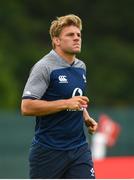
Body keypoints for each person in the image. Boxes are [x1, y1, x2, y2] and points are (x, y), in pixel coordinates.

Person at [21, 14, 98, 179]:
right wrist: (66, 103)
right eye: (70, 35)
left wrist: (85, 115)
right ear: (56, 40)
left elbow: (75, 99)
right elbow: (26, 107)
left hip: (79, 148)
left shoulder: (81, 66)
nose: (77, 38)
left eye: (79, 35)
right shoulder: (44, 67)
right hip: (48, 151)